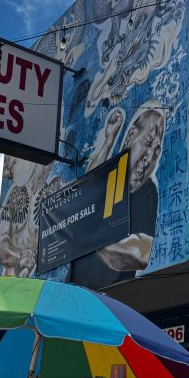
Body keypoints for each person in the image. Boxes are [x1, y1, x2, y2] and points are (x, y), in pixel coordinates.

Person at [71, 105, 165, 288]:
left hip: (115, 296)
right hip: (77, 293)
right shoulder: (112, 177)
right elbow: (86, 190)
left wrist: (92, 242)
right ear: (130, 137)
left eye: (156, 150)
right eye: (147, 144)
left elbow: (140, 251)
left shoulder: (148, 191)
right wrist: (109, 140)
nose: (150, 156)